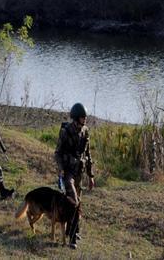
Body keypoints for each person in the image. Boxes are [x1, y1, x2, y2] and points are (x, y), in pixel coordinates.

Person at [55, 102, 95, 249]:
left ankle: (73, 229)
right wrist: (60, 169)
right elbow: (58, 153)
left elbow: (88, 155)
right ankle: (72, 238)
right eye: (83, 117)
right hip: (68, 172)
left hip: (79, 172)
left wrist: (91, 176)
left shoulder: (85, 131)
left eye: (85, 117)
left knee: (78, 204)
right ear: (76, 118)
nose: (85, 120)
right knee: (74, 201)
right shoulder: (66, 132)